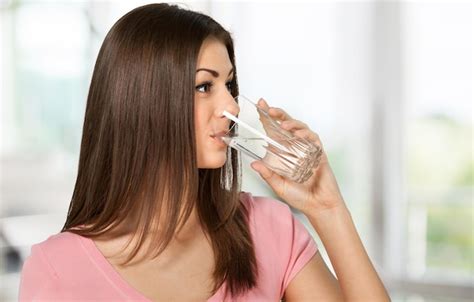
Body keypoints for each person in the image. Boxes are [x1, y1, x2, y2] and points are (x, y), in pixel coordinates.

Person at [18, 3, 390, 301]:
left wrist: (329, 210)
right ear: (145, 101)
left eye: (229, 85)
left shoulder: (268, 229)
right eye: (203, 87)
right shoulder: (58, 268)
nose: (232, 106)